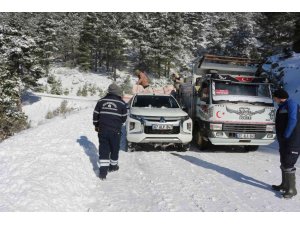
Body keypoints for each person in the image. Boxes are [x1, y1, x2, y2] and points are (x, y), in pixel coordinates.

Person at [93, 83, 127, 180]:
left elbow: (95, 115)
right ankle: (113, 166)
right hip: (115, 131)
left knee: (104, 150)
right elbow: (124, 118)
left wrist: (96, 125)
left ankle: (103, 173)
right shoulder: (122, 103)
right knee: (114, 149)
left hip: (102, 130)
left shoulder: (101, 101)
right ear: (117, 92)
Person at [272, 89, 300, 198]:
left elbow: (293, 120)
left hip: (292, 140)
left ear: (279, 97)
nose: (274, 99)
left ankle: (292, 189)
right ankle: (284, 185)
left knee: (289, 163)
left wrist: (286, 135)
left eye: (274, 97)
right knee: (284, 161)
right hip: (284, 140)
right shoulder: (282, 106)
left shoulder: (292, 104)